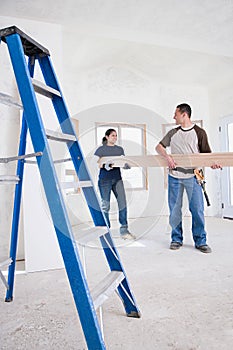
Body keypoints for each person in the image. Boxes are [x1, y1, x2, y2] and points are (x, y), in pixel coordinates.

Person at [155, 103, 221, 253]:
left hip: (193, 176)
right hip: (174, 176)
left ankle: (201, 241)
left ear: (184, 114)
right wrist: (167, 157)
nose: (174, 116)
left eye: (176, 114)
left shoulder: (200, 132)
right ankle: (176, 239)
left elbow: (207, 156)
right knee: (175, 210)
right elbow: (158, 147)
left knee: (197, 209)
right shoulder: (173, 133)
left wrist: (213, 164)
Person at [94, 128, 136, 240]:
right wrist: (105, 166)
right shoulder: (101, 149)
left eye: (116, 135)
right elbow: (98, 164)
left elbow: (121, 162)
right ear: (107, 137)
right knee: (105, 206)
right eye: (113, 135)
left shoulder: (119, 149)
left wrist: (126, 166)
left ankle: (124, 231)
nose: (115, 137)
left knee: (122, 203)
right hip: (104, 180)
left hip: (117, 179)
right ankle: (105, 231)